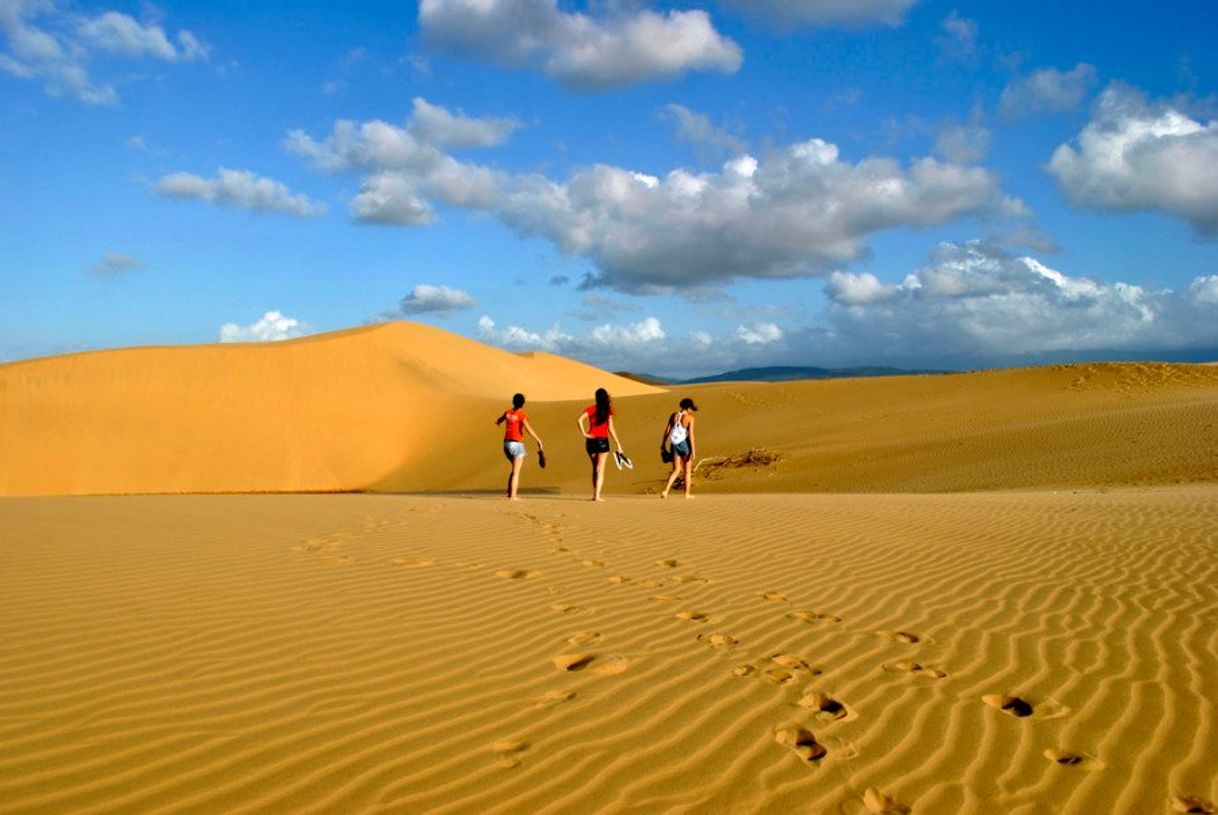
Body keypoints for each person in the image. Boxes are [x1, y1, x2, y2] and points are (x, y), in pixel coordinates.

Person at [577, 387, 625, 502]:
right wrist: (618, 443)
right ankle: (597, 495)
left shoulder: (591, 409)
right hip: (603, 441)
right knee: (600, 469)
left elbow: (579, 420)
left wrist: (584, 434)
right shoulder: (608, 410)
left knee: (595, 468)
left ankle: (595, 494)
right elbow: (611, 428)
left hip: (591, 441)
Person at [496, 393, 544, 500]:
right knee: (516, 471)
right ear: (523, 404)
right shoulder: (522, 415)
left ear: (513, 402)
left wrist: (498, 422)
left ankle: (509, 493)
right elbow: (528, 429)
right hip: (516, 444)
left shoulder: (508, 412)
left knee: (514, 469)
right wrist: (538, 440)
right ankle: (513, 496)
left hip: (506, 444)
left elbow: (500, 419)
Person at [660, 397, 698, 499]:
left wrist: (663, 443)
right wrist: (693, 451)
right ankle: (687, 494)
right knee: (687, 470)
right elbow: (691, 435)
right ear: (688, 407)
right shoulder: (690, 418)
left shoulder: (673, 415)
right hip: (684, 445)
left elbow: (667, 431)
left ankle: (665, 490)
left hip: (674, 444)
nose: (692, 411)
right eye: (691, 409)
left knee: (676, 470)